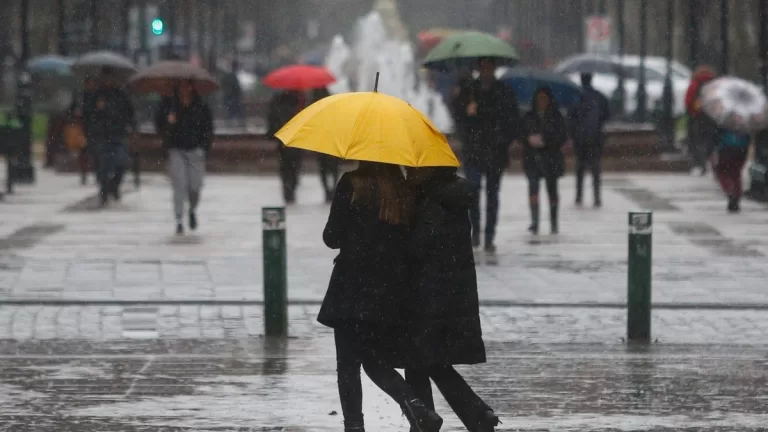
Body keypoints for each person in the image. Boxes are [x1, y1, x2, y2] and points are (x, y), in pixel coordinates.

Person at [320, 162, 442, 432]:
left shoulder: (352, 183)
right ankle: (416, 406)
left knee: (348, 364)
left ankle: (355, 426)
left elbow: (332, 236)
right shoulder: (403, 189)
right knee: (374, 360)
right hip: (390, 289)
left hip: (351, 286)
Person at [404, 166, 500, 432]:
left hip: (426, 292)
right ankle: (475, 414)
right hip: (453, 291)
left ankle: (429, 420)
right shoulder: (452, 195)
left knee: (418, 357)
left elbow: (418, 246)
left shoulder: (430, 200)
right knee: (429, 358)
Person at [462, 57, 520, 254]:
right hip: (474, 152)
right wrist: (466, 111)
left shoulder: (504, 91)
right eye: (482, 66)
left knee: (492, 195)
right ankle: (475, 232)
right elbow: (460, 120)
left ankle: (489, 236)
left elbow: (511, 120)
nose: (485, 70)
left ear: (494, 68)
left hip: (495, 152)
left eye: (489, 67)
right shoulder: (469, 90)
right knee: (473, 193)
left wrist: (501, 139)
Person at [155, 81, 214, 235]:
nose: (184, 89)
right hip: (176, 150)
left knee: (195, 187)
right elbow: (159, 127)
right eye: (181, 86)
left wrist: (204, 147)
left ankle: (192, 209)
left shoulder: (201, 106)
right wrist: (169, 123)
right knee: (179, 185)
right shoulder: (169, 105)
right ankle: (179, 219)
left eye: (187, 85)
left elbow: (208, 129)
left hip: (195, 150)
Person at [82, 67, 136, 206]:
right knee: (103, 165)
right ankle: (104, 189)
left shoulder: (121, 95)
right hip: (101, 135)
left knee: (122, 162)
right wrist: (97, 111)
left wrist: (131, 128)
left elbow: (130, 113)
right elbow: (88, 115)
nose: (108, 81)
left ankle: (114, 185)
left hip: (118, 133)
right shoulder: (96, 95)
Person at [521, 87, 568, 235]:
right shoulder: (529, 116)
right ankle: (535, 222)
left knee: (552, 190)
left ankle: (554, 222)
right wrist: (529, 140)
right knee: (533, 188)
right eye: (539, 99)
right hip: (532, 157)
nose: (542, 102)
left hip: (551, 157)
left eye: (544, 99)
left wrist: (547, 141)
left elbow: (562, 135)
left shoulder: (555, 116)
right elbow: (520, 133)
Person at [569, 72, 610, 207]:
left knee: (580, 167)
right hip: (595, 137)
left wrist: (573, 133)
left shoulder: (576, 96)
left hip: (580, 138)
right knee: (595, 167)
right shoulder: (599, 96)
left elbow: (570, 117)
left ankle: (579, 196)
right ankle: (597, 197)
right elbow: (607, 115)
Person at [268, 90, 305, 204]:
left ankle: (287, 189)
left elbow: (272, 119)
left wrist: (272, 134)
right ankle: (290, 188)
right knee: (293, 167)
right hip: (295, 140)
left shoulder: (277, 102)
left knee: (285, 167)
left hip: (283, 140)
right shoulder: (298, 102)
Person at [685, 66, 718, 175]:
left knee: (698, 141)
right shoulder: (714, 86)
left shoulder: (694, 85)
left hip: (698, 117)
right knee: (711, 141)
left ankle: (702, 163)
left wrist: (693, 113)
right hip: (711, 118)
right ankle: (712, 162)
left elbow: (688, 101)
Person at [311, 87, 341, 202]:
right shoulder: (333, 103)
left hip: (321, 143)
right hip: (333, 142)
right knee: (333, 169)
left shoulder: (315, 106)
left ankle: (327, 190)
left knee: (323, 169)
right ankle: (332, 189)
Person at [714, 127, 751, 213]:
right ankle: (735, 197)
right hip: (740, 151)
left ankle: (730, 191)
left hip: (726, 151)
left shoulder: (725, 123)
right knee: (736, 175)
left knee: (723, 174)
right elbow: (748, 139)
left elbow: (716, 137)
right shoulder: (746, 123)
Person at [222, 60, 245, 127]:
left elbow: (224, 85)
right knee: (236, 111)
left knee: (231, 112)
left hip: (229, 98)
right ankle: (239, 124)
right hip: (233, 98)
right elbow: (236, 88)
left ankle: (230, 124)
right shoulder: (233, 76)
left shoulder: (229, 75)